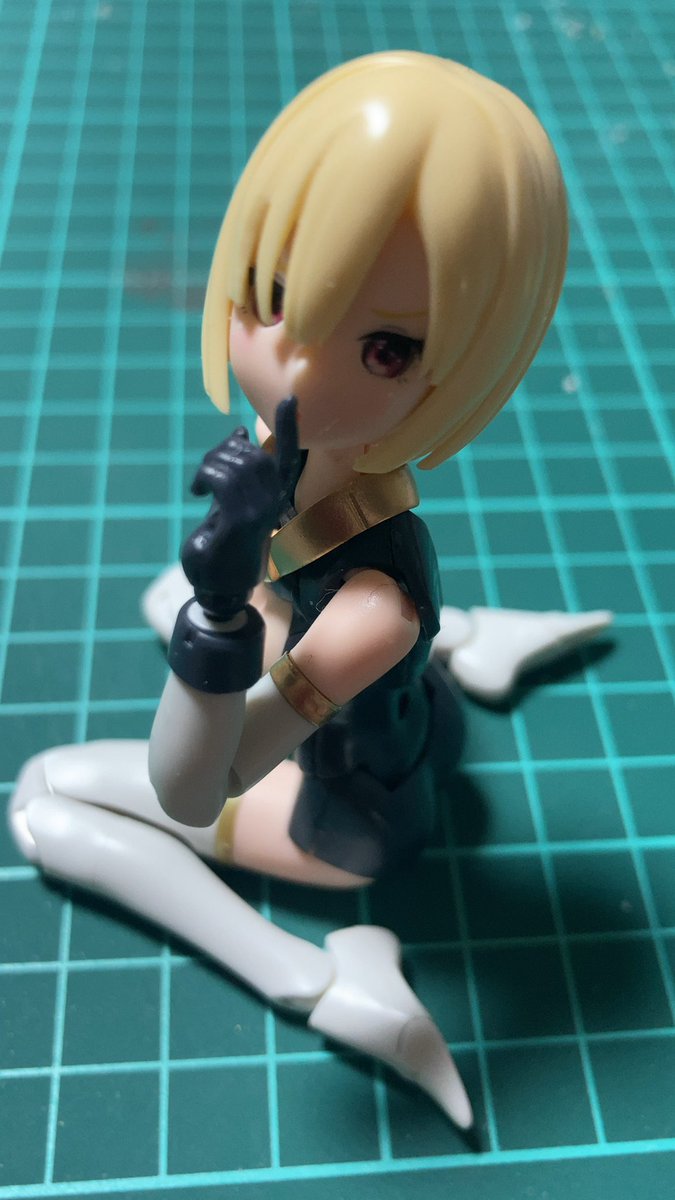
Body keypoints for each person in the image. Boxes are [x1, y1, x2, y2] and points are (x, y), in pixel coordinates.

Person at [11, 52, 584, 1129]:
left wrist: (220, 613)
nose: (296, 366)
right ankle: (467, 649)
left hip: (350, 818)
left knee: (45, 797)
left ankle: (318, 979)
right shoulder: (323, 463)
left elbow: (193, 789)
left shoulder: (374, 609)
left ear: (454, 367)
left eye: (385, 349)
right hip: (416, 723)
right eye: (275, 297)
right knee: (160, 598)